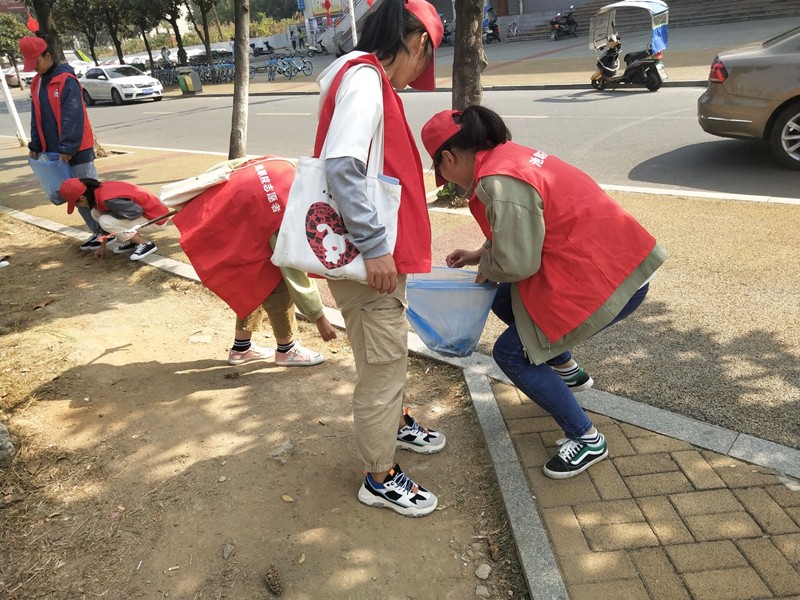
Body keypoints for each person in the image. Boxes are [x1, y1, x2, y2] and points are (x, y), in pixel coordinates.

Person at [421, 105, 668, 480]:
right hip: (614, 261)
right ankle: (567, 370)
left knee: (510, 353)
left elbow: (517, 264)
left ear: (449, 158)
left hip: (608, 279)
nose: (449, 181)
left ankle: (586, 438)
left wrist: (487, 270)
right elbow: (524, 231)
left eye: (443, 173)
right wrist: (479, 255)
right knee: (506, 300)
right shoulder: (510, 157)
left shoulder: (496, 181)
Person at [314, 0, 444, 517]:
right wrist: (375, 247)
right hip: (372, 261)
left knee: (382, 357)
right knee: (384, 367)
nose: (418, 76)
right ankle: (380, 475)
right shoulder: (366, 81)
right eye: (424, 60)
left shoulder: (355, 75)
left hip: (372, 257)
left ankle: (397, 421)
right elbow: (343, 166)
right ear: (416, 43)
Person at [19, 35, 102, 251]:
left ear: (48, 55)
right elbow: (36, 116)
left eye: (37, 61)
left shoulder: (66, 80)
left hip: (76, 150)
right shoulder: (37, 82)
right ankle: (97, 231)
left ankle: (111, 231)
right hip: (54, 151)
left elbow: (72, 116)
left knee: (90, 192)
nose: (35, 68)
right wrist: (35, 145)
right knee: (74, 195)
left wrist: (68, 148)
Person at [58, 177, 169, 261]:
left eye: (76, 204)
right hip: (148, 215)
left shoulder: (106, 199)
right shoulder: (98, 191)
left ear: (82, 198)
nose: (78, 207)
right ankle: (134, 241)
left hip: (156, 219)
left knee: (105, 220)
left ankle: (146, 244)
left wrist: (110, 214)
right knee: (96, 213)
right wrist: (102, 247)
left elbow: (135, 212)